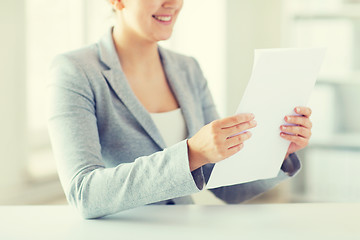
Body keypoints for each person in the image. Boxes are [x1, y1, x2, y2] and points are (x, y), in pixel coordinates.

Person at [47, 0, 312, 219]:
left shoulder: (188, 69)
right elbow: (84, 193)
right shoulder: (75, 71)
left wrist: (276, 153)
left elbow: (225, 186)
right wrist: (192, 154)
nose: (173, 3)